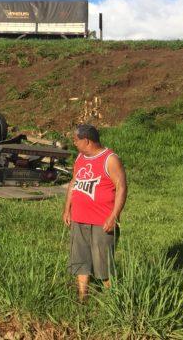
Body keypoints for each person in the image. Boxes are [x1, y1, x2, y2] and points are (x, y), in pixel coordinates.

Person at [62, 124, 127, 301]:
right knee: (80, 259)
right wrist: (67, 208)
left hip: (102, 221)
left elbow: (121, 187)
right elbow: (74, 182)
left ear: (87, 140)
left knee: (104, 264)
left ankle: (112, 301)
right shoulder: (80, 158)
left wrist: (114, 216)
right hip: (79, 218)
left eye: (75, 140)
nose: (74, 143)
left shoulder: (110, 159)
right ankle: (82, 297)